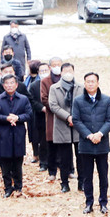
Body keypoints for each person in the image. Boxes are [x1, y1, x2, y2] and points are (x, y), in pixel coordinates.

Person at [72, 72, 110, 214]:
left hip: (102, 144)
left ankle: (103, 202)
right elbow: (76, 120)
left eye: (93, 81)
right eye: (88, 81)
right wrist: (89, 135)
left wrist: (100, 134)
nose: (90, 84)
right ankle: (88, 202)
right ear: (84, 83)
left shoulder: (106, 100)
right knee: (87, 176)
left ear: (98, 83)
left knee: (103, 175)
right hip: (86, 144)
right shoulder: (78, 101)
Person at [0, 74, 33, 197]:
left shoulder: (23, 99)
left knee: (17, 162)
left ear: (16, 85)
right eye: (7, 83)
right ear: (3, 85)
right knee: (4, 162)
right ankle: (7, 188)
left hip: (18, 133)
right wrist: (7, 118)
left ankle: (18, 186)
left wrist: (18, 118)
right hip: (3, 134)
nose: (9, 85)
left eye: (12, 83)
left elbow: (29, 114)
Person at [48, 63, 84, 193]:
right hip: (62, 126)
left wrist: (75, 118)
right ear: (61, 73)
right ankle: (64, 183)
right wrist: (68, 117)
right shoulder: (54, 88)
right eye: (65, 71)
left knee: (81, 157)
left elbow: (84, 104)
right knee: (64, 158)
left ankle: (82, 183)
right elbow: (53, 106)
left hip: (78, 127)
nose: (68, 73)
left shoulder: (80, 87)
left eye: (70, 70)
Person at [40, 57, 63, 181]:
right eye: (54, 65)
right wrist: (56, 107)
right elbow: (44, 98)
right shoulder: (45, 81)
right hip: (51, 116)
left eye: (58, 64)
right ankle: (52, 171)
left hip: (65, 117)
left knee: (65, 146)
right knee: (52, 145)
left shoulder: (66, 79)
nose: (56, 66)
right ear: (50, 67)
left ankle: (68, 169)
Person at [28, 62, 50, 172]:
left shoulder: (54, 84)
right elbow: (31, 100)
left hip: (55, 117)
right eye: (41, 71)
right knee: (43, 140)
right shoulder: (34, 86)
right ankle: (43, 163)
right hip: (40, 117)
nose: (44, 73)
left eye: (46, 70)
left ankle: (57, 162)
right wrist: (42, 108)